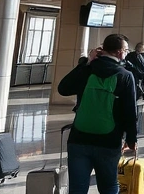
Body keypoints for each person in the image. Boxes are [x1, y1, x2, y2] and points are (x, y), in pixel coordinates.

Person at [58, 34, 138, 194]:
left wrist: (87, 62)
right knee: (109, 187)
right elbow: (130, 111)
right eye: (126, 50)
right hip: (109, 140)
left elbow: (63, 88)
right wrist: (131, 140)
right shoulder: (125, 76)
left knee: (77, 189)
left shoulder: (88, 70)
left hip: (79, 139)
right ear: (121, 52)